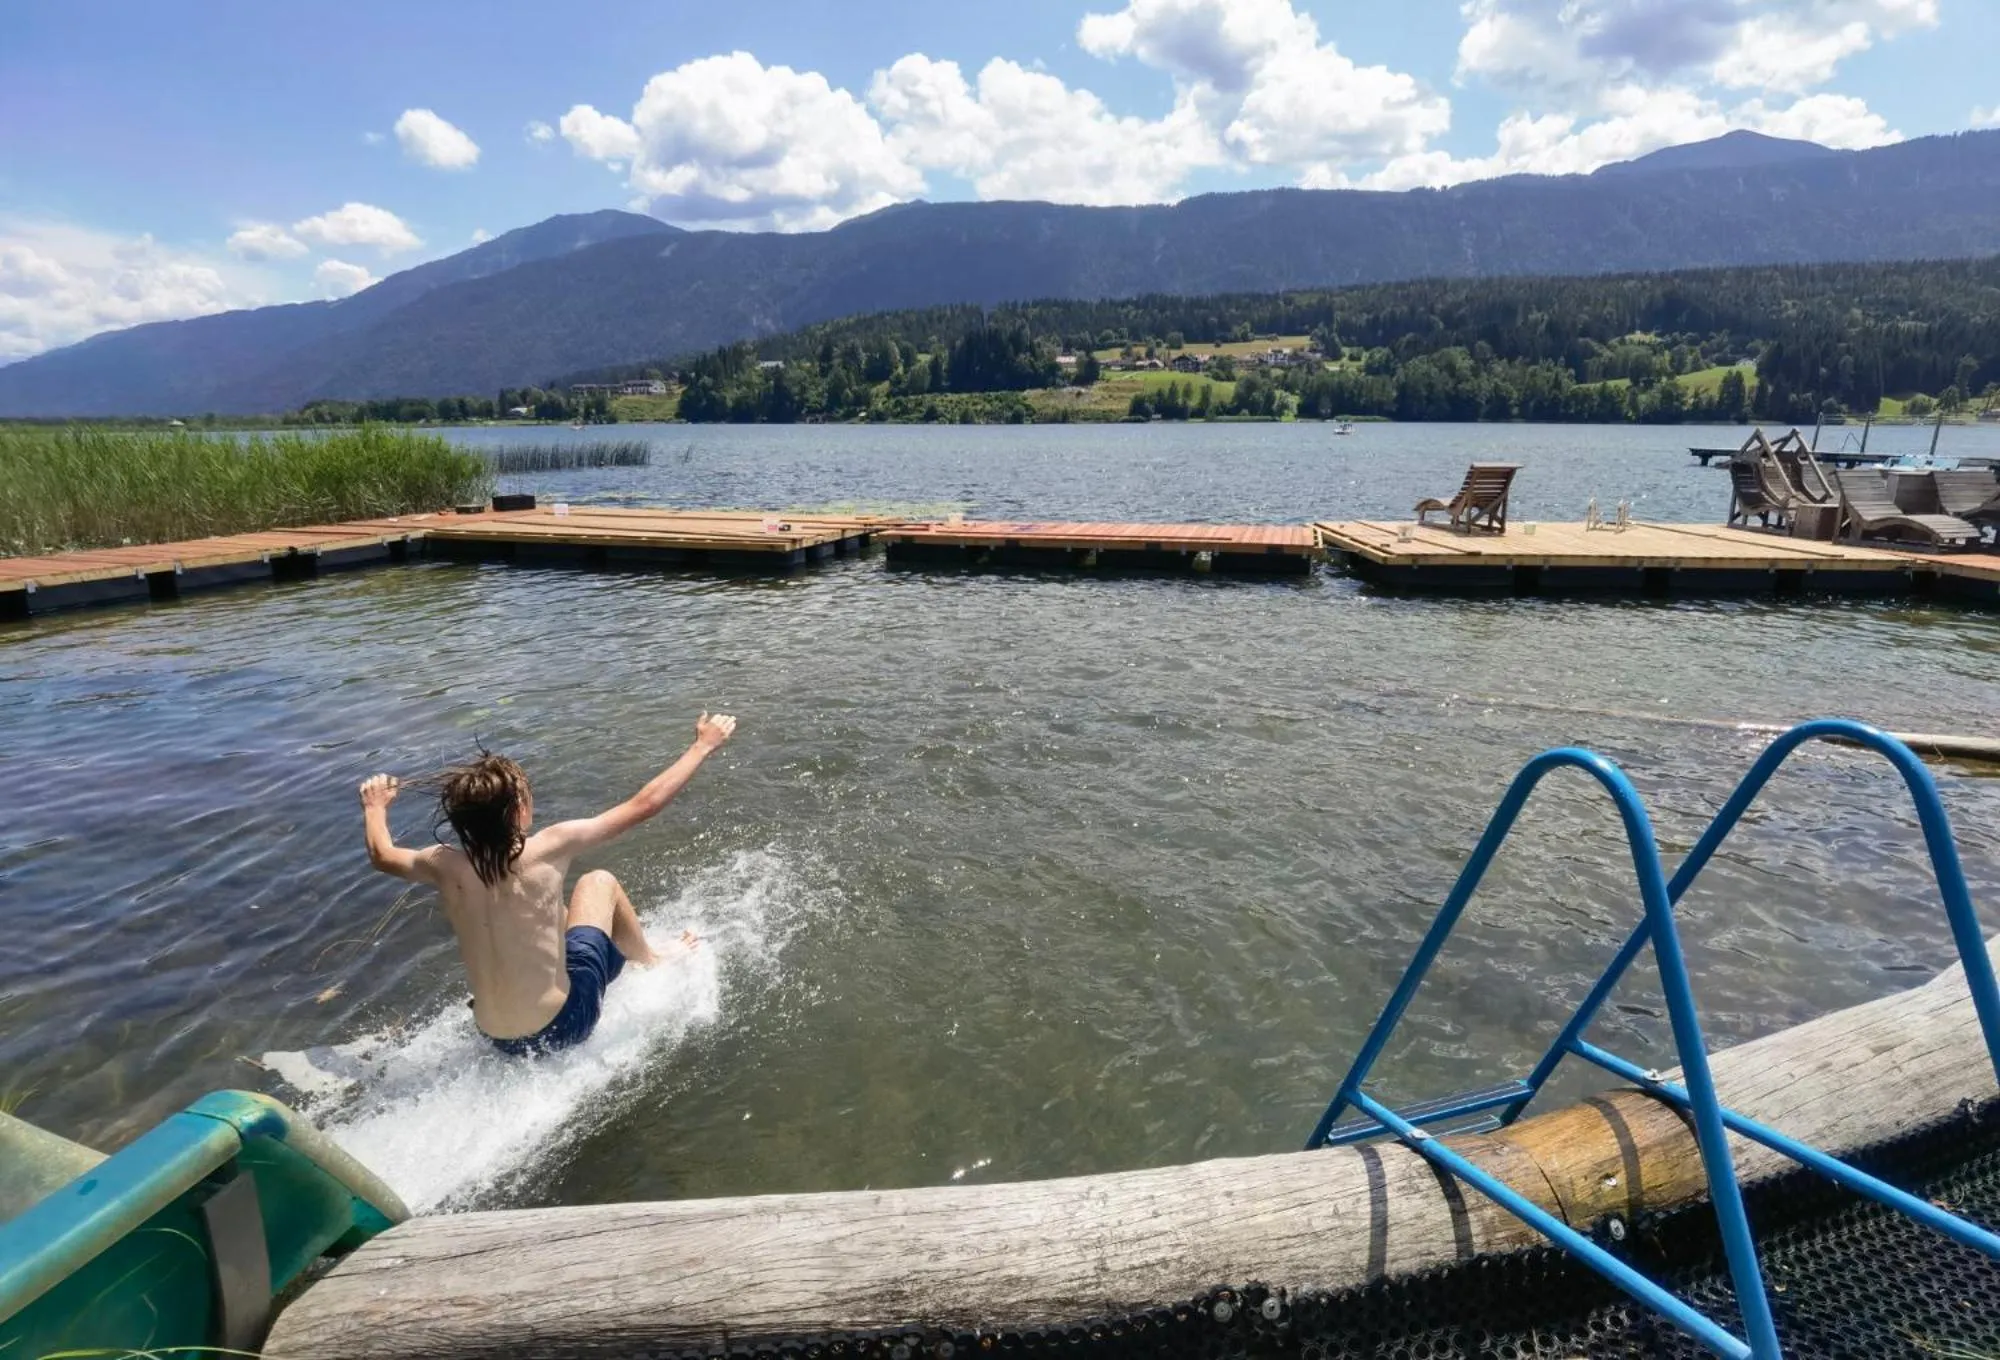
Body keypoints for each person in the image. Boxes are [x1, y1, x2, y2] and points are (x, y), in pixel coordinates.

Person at [358, 712, 737, 1055]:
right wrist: (703, 745)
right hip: (564, 1026)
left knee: (555, 912)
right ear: (520, 810)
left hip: (496, 1039)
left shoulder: (440, 863)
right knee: (598, 881)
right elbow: (644, 805)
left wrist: (375, 808)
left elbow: (382, 855)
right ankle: (652, 959)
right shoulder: (548, 847)